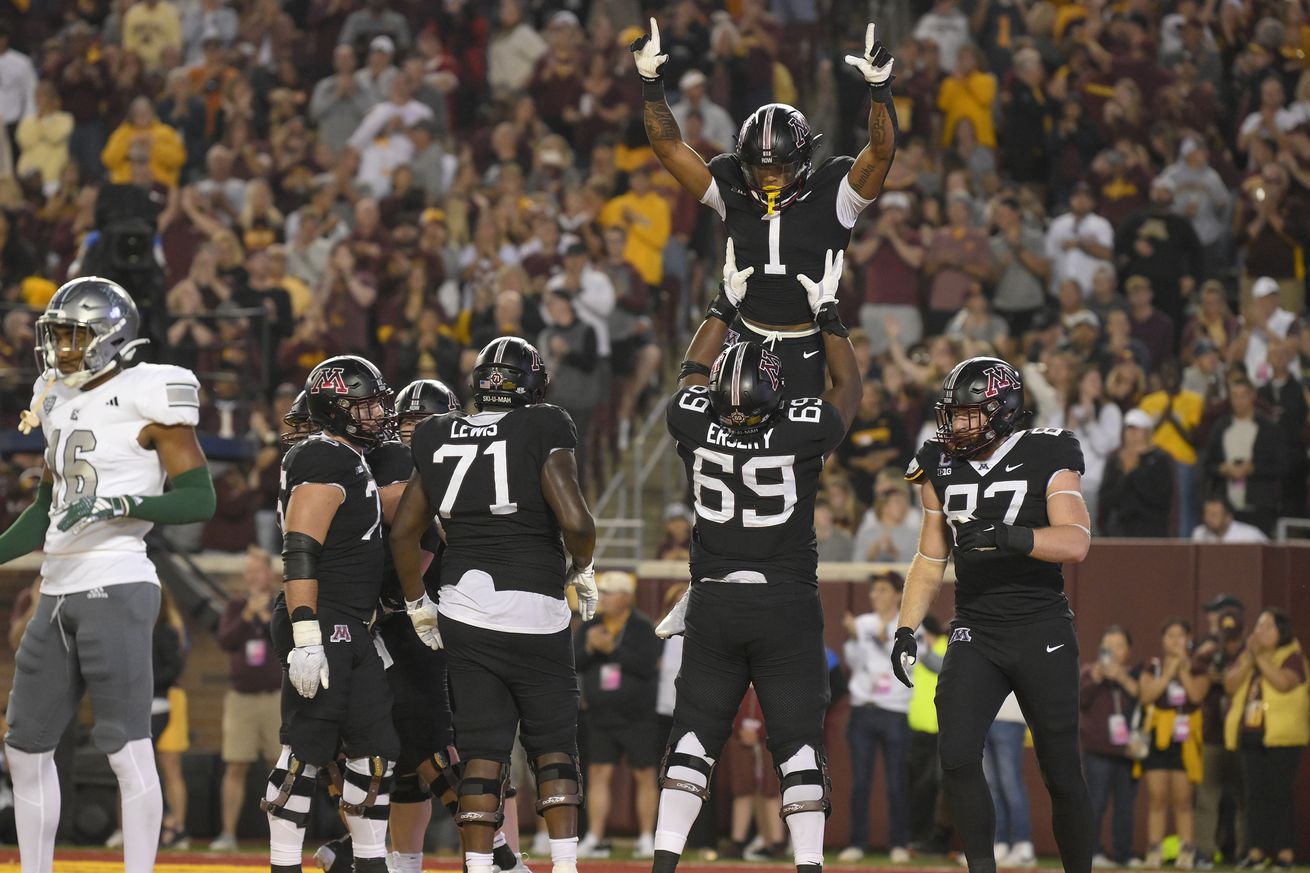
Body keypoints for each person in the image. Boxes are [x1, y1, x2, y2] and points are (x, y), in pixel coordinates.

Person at [652, 241, 861, 873]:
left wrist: (722, 305)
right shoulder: (801, 426)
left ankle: (664, 863)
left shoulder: (693, 419)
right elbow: (847, 384)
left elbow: (690, 375)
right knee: (797, 743)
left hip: (715, 600)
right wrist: (827, 316)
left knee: (692, 738)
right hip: (784, 601)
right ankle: (809, 866)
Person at [0, 277, 215, 873]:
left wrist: (124, 505)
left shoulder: (150, 391)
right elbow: (45, 512)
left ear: (109, 336)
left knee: (125, 744)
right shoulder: (56, 398)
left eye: (73, 335)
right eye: (56, 335)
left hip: (117, 579)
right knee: (24, 746)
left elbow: (200, 499)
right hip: (57, 586)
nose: (61, 348)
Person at [390, 336, 597, 873]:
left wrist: (417, 601)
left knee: (482, 750)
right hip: (534, 601)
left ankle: (481, 868)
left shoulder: (436, 433)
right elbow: (575, 521)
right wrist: (584, 566)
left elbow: (405, 532)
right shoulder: (544, 422)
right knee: (553, 744)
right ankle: (566, 867)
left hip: (463, 607)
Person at [316, 376, 527, 873]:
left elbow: (431, 537)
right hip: (396, 623)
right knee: (380, 747)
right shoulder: (383, 461)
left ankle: (501, 856)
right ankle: (396, 856)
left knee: (452, 746)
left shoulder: (466, 470)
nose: (414, 432)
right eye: (408, 422)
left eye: (426, 423)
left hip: (447, 623)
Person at [895, 356, 1095, 873]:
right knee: (957, 755)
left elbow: (1076, 542)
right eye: (953, 414)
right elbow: (930, 557)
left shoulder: (1048, 449)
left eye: (967, 414)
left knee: (1061, 773)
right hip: (976, 628)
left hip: (1040, 625)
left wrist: (1013, 537)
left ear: (1001, 410)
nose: (955, 425)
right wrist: (905, 628)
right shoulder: (937, 461)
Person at [632, 17, 896, 397]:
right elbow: (670, 149)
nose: (769, 179)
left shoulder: (835, 190)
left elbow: (882, 151)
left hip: (804, 342)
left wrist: (879, 90)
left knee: (802, 449)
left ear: (804, 162)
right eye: (760, 170)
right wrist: (652, 87)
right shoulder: (730, 181)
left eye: (781, 170)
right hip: (742, 338)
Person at [264, 355, 400, 873]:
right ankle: (283, 863)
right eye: (364, 407)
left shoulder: (347, 456)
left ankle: (368, 862)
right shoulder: (324, 455)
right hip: (323, 617)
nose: (376, 415)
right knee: (307, 745)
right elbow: (300, 547)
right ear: (336, 409)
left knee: (377, 748)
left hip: (350, 621)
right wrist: (306, 633)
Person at [573, 571, 661, 859]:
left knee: (644, 774)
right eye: (602, 592)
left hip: (638, 715)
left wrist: (613, 649)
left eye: (609, 593)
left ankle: (647, 837)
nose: (603, 598)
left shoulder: (642, 626)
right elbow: (575, 662)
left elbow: (648, 666)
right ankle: (595, 837)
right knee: (598, 773)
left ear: (626, 597)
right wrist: (589, 647)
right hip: (601, 714)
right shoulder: (592, 625)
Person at [212, 547, 285, 852]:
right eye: (249, 571)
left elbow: (289, 636)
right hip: (241, 699)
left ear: (269, 573)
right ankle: (228, 834)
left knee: (280, 766)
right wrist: (246, 616)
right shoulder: (235, 605)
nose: (253, 576)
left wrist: (267, 617)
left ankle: (284, 834)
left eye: (257, 570)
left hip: (276, 699)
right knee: (235, 765)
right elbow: (225, 640)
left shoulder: (282, 601)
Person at [1223, 608, 1308, 869]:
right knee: (1254, 796)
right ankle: (1256, 851)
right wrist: (1250, 658)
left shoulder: (1292, 657)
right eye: (1259, 626)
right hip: (1251, 734)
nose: (1260, 631)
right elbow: (1230, 684)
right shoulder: (1247, 657)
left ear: (1281, 631)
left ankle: (1284, 853)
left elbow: (1284, 683)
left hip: (1283, 737)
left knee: (1279, 794)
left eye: (1268, 626)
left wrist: (1260, 659)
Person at [839, 572, 912, 863]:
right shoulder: (862, 623)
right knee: (860, 782)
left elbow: (909, 665)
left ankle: (899, 843)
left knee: (896, 783)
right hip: (863, 709)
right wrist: (856, 638)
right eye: (873, 590)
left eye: (882, 590)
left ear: (897, 594)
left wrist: (884, 643)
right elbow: (853, 663)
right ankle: (857, 842)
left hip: (895, 710)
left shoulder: (908, 625)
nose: (875, 595)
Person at [1136, 617, 1210, 869]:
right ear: (1162, 640)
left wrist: (1183, 669)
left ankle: (1187, 850)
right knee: (1157, 797)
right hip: (1158, 735)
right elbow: (1146, 695)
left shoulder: (1199, 666)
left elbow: (1197, 695)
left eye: (1180, 636)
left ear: (1188, 639)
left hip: (1185, 737)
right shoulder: (1153, 666)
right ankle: (1154, 849)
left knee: (1183, 798)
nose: (1175, 641)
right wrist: (1168, 672)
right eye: (1170, 636)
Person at [1079, 625, 1140, 868]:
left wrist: (1122, 677)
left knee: (1126, 806)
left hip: (1127, 750)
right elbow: (1081, 700)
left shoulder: (1134, 674)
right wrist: (1097, 678)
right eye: (1109, 645)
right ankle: (1093, 851)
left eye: (1119, 645)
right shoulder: (1089, 672)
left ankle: (1124, 853)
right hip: (1097, 751)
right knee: (1096, 803)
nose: (1113, 651)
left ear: (1127, 651)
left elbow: (1142, 697)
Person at [1193, 598, 1247, 864]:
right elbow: (1195, 688)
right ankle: (1204, 851)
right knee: (1207, 798)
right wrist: (1209, 674)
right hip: (1213, 734)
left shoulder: (1250, 653)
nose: (1230, 643)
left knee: (1242, 799)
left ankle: (1241, 852)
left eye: (1234, 637)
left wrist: (1223, 679)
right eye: (1227, 637)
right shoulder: (1210, 652)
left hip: (1242, 735)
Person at [983, 694, 1034, 867]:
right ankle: (1000, 842)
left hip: (1010, 716)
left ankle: (1023, 844)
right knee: (992, 785)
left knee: (1010, 783)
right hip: (982, 717)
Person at [1192, 495, 1268, 544]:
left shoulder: (1250, 535)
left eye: (1214, 515)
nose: (1208, 519)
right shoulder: (1199, 533)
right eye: (1206, 514)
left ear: (1228, 517)